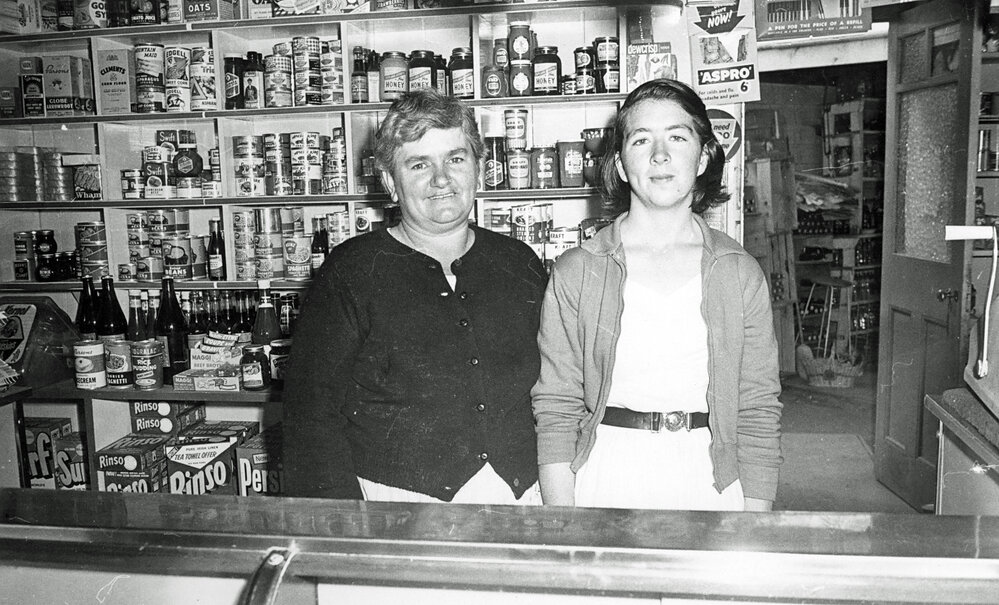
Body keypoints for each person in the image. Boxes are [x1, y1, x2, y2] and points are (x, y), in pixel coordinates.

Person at [282, 89, 547, 505]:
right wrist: (340, 525)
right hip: (398, 503)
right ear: (389, 181)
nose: (441, 179)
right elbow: (309, 416)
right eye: (419, 164)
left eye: (456, 158)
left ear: (478, 167)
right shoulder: (352, 270)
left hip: (521, 495)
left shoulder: (519, 262)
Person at [532, 79, 782, 511]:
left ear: (703, 157)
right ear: (622, 163)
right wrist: (562, 520)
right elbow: (557, 407)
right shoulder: (580, 270)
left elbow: (757, 409)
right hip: (607, 475)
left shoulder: (738, 272)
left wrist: (754, 522)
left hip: (711, 480)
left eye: (677, 137)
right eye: (641, 139)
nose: (660, 155)